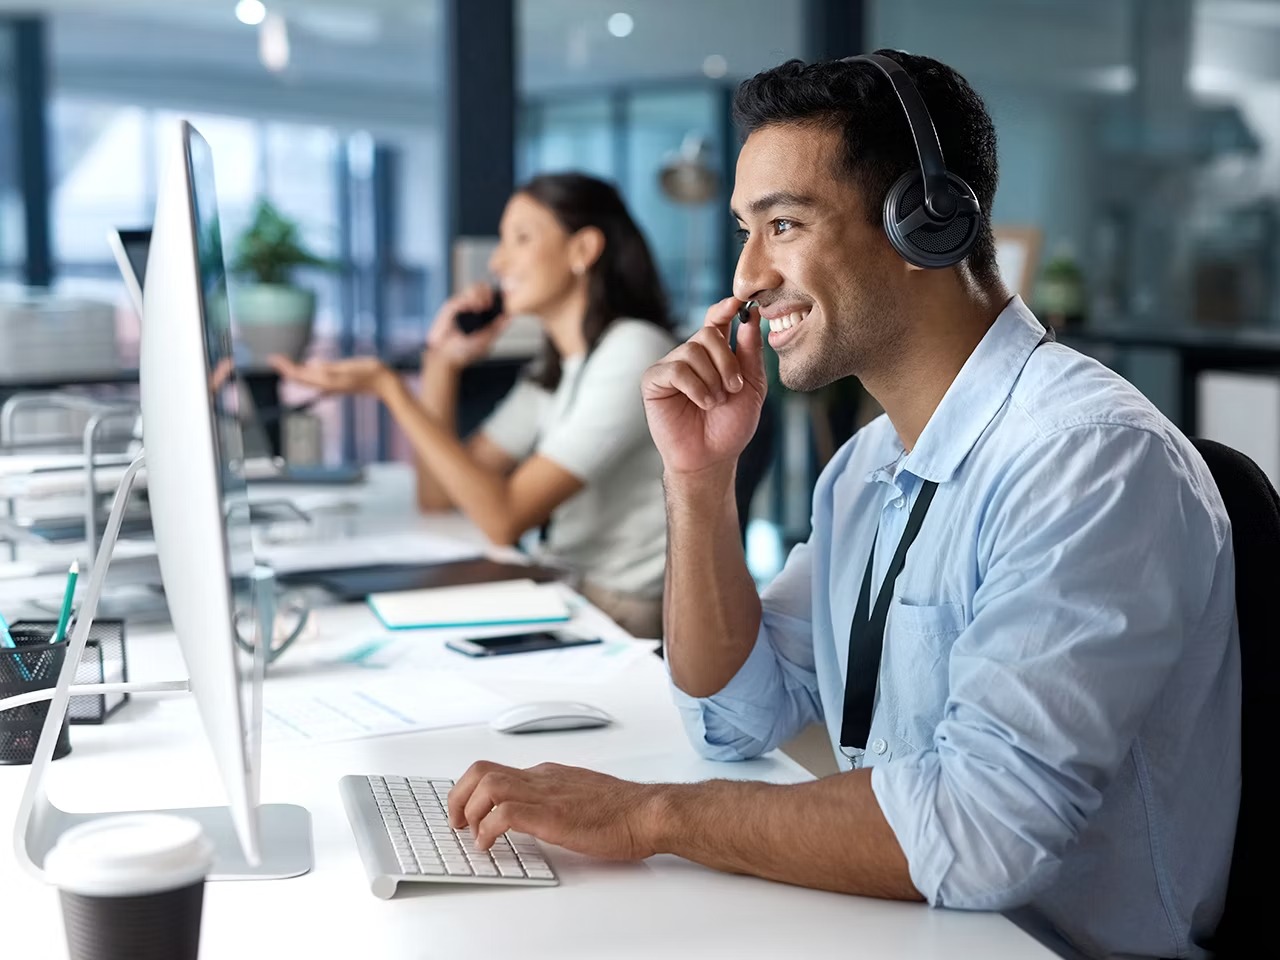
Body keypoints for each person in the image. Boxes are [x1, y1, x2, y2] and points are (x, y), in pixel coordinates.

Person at [443, 52, 1240, 960]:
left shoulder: (1088, 461)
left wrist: (650, 815)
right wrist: (699, 482)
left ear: (925, 225)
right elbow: (734, 715)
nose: (745, 276)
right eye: (745, 229)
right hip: (899, 924)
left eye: (783, 224)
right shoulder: (868, 466)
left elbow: (983, 833)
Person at [274, 173, 676, 638]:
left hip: (618, 611)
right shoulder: (558, 366)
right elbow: (440, 496)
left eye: (521, 239)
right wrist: (442, 364)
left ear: (582, 250)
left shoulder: (633, 352)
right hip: (567, 588)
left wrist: (391, 388)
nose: (499, 262)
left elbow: (502, 518)